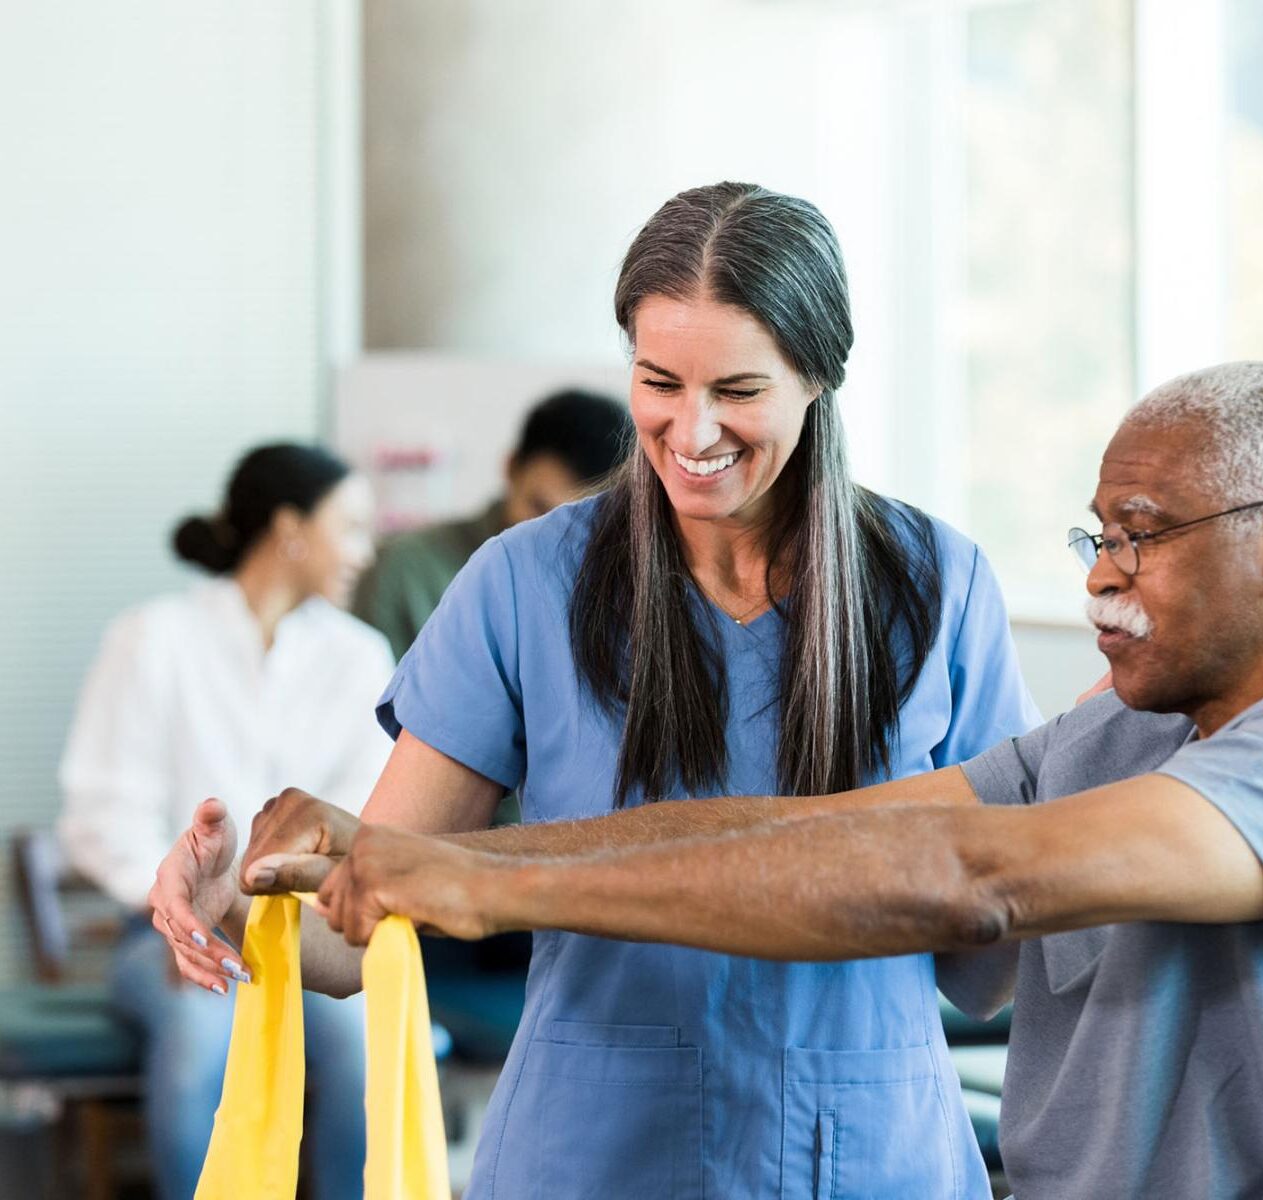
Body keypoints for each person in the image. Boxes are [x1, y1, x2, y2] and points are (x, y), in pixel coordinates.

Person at [297, 363, 1263, 1198]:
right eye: (1097, 538)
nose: (1102, 577)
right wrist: (412, 860)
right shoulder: (1123, 736)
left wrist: (492, 890)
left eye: (1140, 535)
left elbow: (967, 879)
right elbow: (816, 833)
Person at [149, 182, 1041, 1199]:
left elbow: (987, 969)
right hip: (592, 1150)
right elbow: (362, 926)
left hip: (867, 1152)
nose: (691, 430)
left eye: (737, 390)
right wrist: (233, 903)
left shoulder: (936, 585)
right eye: (659, 380)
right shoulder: (523, 583)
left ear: (819, 376)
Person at [58, 443, 392, 1200]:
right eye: (351, 528)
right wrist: (182, 910)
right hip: (167, 937)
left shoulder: (360, 656)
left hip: (308, 936)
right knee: (200, 1037)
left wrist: (281, 906)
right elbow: (103, 813)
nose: (365, 552)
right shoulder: (153, 638)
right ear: (291, 529)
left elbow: (362, 818)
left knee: (362, 1042)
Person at [352, 388, 633, 659]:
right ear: (511, 468)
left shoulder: (622, 590)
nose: (554, 532)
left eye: (580, 521)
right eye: (539, 507)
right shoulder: (406, 570)